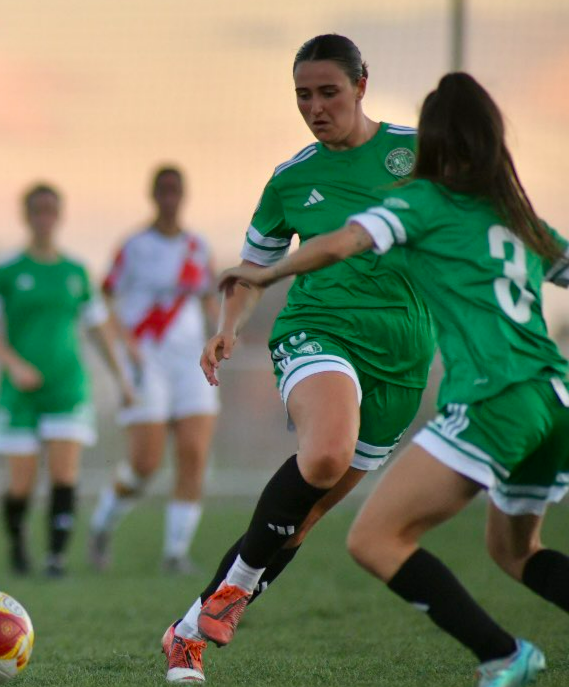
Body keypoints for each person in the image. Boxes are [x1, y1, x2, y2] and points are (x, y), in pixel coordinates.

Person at [220, 72, 569, 687]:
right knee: (516, 552)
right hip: (558, 402)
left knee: (374, 538)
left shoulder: (423, 203)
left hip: (495, 399)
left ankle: (503, 654)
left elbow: (341, 243)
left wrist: (265, 274)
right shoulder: (514, 214)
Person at [161, 34, 436, 683]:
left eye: (328, 93)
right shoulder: (291, 178)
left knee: (303, 518)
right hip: (317, 332)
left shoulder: (420, 153)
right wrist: (227, 327)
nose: (315, 108)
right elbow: (251, 270)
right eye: (303, 96)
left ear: (361, 85)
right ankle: (229, 596)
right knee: (325, 453)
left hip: (402, 358)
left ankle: (188, 631)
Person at [0, 183, 134, 578]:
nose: (44, 217)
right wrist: (13, 364)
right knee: (21, 483)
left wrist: (123, 380)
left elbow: (98, 328)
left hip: (67, 386)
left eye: (50, 210)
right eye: (38, 210)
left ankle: (56, 558)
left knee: (64, 475)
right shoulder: (8, 270)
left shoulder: (75, 271)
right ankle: (18, 547)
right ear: (26, 216)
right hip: (20, 391)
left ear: (59, 216)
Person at [88, 166, 220, 573]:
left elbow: (209, 299)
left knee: (193, 454)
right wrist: (124, 340)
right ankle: (102, 524)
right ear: (153, 195)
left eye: (175, 189)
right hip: (146, 359)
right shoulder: (134, 246)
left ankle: (175, 553)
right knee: (146, 462)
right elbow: (105, 296)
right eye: (163, 189)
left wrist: (221, 332)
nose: (169, 197)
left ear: (184, 194)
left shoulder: (198, 246)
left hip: (192, 361)